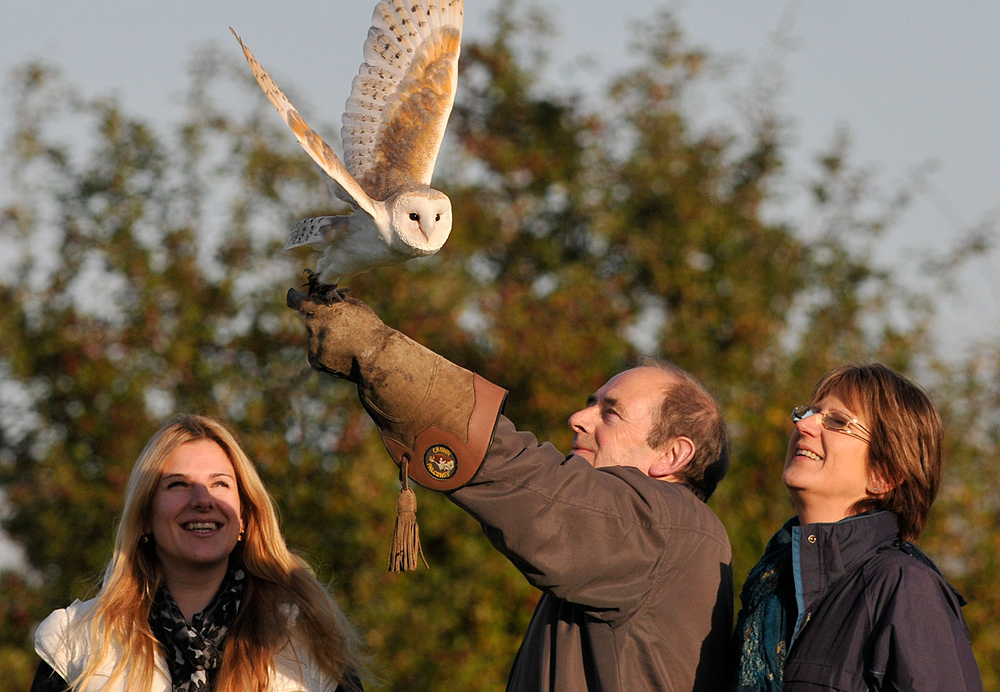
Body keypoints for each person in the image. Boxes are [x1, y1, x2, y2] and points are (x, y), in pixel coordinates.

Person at [286, 288, 733, 692]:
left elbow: (531, 484)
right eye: (591, 403)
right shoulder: (643, 544)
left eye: (610, 413)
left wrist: (377, 354)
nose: (579, 418)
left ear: (673, 454)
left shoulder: (667, 527)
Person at [31, 415, 365, 692]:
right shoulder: (77, 644)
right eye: (178, 484)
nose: (204, 500)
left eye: (220, 484)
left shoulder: (308, 642)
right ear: (145, 517)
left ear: (244, 516)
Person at [730, 362, 983, 692]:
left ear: (884, 475)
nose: (804, 425)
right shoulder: (772, 588)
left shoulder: (905, 587)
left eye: (837, 421)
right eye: (810, 412)